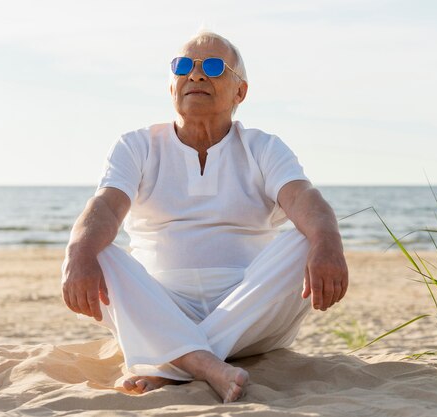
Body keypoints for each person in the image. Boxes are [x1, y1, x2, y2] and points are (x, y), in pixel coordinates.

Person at [61, 31, 348, 403]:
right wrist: (77, 254)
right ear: (171, 85)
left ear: (240, 92)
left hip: (250, 310)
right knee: (92, 247)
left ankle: (174, 361)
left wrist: (328, 244)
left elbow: (304, 199)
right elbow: (106, 205)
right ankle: (206, 364)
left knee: (306, 237)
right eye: (184, 66)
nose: (196, 75)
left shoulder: (264, 147)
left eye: (213, 67)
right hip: (158, 305)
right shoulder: (136, 145)